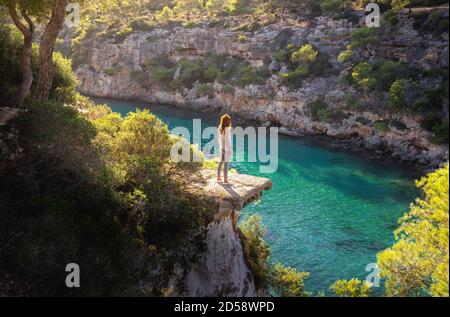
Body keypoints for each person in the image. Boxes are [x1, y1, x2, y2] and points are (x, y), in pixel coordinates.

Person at [217, 114, 233, 183]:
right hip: (226, 149)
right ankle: (225, 179)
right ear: (228, 121)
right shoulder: (227, 129)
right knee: (226, 164)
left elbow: (218, 138)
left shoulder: (220, 127)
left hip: (221, 148)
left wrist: (221, 147)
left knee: (220, 162)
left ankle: (218, 177)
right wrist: (231, 150)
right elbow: (228, 141)